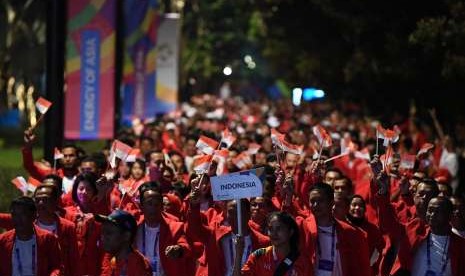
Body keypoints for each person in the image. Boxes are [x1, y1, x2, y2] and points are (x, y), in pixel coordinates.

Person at [298, 182, 371, 276]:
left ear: (331, 203)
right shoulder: (302, 228)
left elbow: (363, 267)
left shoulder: (350, 232)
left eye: (320, 201)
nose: (315, 205)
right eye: (312, 201)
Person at [395, 197, 465, 275]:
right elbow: (388, 226)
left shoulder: (460, 245)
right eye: (430, 210)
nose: (432, 214)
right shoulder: (415, 232)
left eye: (438, 211)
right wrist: (383, 194)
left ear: (449, 215)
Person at [135, 182, 193, 275]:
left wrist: (178, 250)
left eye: (157, 204)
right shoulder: (134, 226)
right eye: (149, 203)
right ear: (141, 206)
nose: (154, 207)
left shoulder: (174, 227)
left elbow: (186, 247)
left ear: (162, 206)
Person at [0, 196, 63, 275]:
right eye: (14, 214)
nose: (18, 219)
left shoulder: (48, 239)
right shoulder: (2, 241)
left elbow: (56, 266)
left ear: (33, 216)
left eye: (22, 214)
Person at [241, 212, 312, 275]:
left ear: (290, 232)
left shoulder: (303, 261)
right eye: (270, 229)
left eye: (279, 228)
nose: (274, 233)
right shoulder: (258, 257)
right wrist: (238, 255)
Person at [97, 209, 152, 276]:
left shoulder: (138, 265)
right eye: (103, 232)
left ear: (126, 236)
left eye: (109, 233)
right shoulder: (109, 258)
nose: (103, 238)